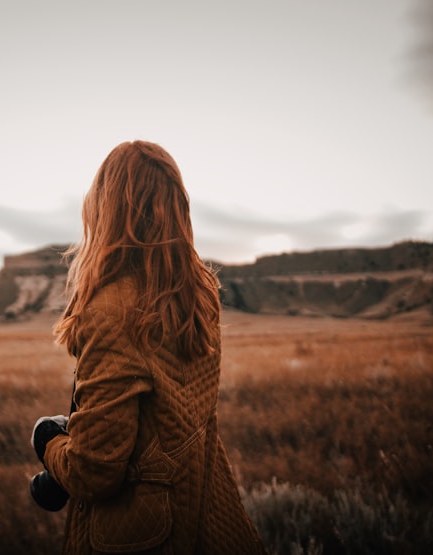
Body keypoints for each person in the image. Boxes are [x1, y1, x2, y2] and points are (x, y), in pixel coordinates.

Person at [29, 140, 266, 554]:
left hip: (143, 537)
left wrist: (49, 443)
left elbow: (94, 472)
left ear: (107, 209)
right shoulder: (199, 294)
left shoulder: (111, 310)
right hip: (210, 513)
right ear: (177, 208)